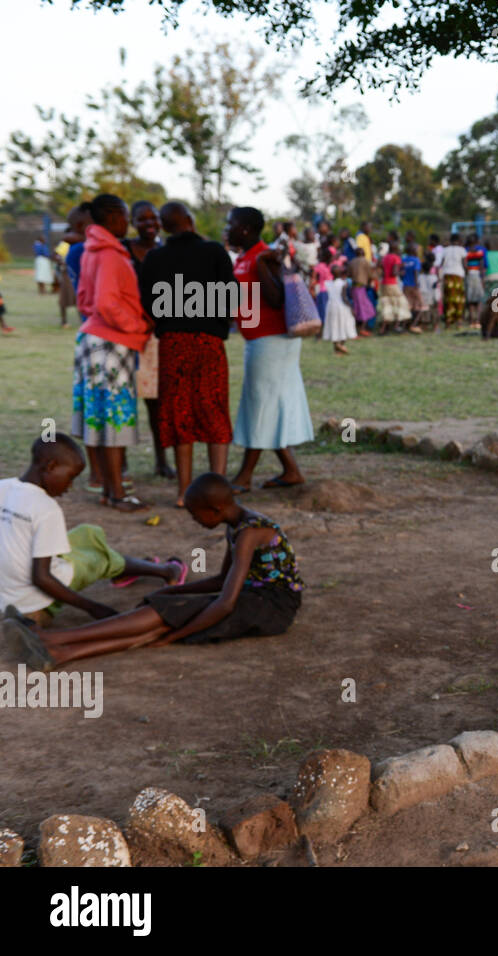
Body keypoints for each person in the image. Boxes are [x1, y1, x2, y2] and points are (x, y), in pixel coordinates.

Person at [6, 473, 303, 670]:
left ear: (214, 509)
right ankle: (61, 653)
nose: (194, 520)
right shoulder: (238, 525)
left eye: (194, 514)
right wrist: (174, 589)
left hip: (273, 608)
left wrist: (180, 634)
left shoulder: (250, 532)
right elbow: (223, 581)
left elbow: (225, 602)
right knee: (169, 610)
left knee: (170, 619)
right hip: (256, 598)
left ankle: (56, 640)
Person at [0, 434, 182, 633]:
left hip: (4, 598)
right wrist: (93, 608)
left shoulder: (3, 487)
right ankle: (165, 570)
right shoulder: (46, 508)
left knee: (88, 533)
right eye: (70, 478)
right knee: (99, 558)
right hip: (32, 607)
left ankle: (133, 569)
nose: (69, 487)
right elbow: (41, 578)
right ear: (50, 466)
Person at [139, 201, 237, 509]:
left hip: (173, 344)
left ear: (165, 227)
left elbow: (148, 303)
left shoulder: (155, 258)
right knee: (213, 410)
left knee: (180, 412)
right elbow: (230, 298)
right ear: (191, 221)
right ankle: (218, 490)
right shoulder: (214, 253)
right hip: (208, 342)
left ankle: (184, 492)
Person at [225, 206, 314, 491]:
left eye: (231, 225)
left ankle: (244, 476)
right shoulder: (244, 258)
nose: (227, 230)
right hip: (259, 339)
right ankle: (291, 470)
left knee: (260, 404)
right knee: (269, 403)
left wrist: (267, 268)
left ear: (246, 229)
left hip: (272, 340)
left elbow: (276, 299)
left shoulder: (264, 256)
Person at [74, 193, 151, 512]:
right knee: (116, 417)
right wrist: (136, 326)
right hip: (111, 344)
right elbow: (107, 302)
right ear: (109, 217)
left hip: (91, 339)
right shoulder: (109, 254)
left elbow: (84, 300)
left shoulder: (91, 250)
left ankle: (108, 489)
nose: (128, 222)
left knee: (99, 417)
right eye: (122, 215)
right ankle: (118, 493)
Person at [123, 200, 173, 480]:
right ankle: (123, 459)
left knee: (157, 402)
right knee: (125, 398)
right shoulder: (124, 250)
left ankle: (161, 459)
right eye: (142, 219)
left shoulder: (166, 250)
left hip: (159, 334)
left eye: (153, 218)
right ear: (132, 222)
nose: (149, 224)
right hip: (128, 333)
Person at [376, 240, 413, 334]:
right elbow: (394, 272)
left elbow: (383, 271)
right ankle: (397, 326)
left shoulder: (385, 258)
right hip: (392, 284)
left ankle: (383, 329)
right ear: (396, 249)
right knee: (401, 303)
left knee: (387, 305)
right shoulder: (396, 258)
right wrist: (401, 271)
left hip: (384, 284)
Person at [322, 262, 356, 354]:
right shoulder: (343, 283)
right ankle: (340, 345)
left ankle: (337, 348)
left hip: (331, 306)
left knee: (334, 325)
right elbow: (344, 297)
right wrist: (351, 307)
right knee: (343, 325)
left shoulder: (328, 283)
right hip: (341, 306)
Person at [346, 244, 376, 336]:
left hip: (354, 288)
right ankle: (361, 329)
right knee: (364, 308)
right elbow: (371, 275)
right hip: (361, 288)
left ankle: (358, 328)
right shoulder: (365, 261)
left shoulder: (352, 262)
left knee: (358, 308)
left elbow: (349, 275)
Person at [440, 234, 467, 328]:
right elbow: (464, 264)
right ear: (459, 240)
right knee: (459, 298)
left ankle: (448, 321)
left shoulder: (445, 250)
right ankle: (459, 321)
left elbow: (441, 264)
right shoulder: (462, 250)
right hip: (458, 276)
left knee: (448, 298)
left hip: (447, 275)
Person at [401, 242, 429, 330]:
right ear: (413, 250)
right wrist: (416, 284)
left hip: (405, 286)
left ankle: (405, 325)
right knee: (421, 306)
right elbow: (416, 272)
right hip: (414, 286)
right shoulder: (416, 260)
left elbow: (401, 273)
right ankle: (413, 324)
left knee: (408, 306)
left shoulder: (404, 260)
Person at [464, 233, 486, 328]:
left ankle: (471, 320)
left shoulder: (465, 252)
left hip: (468, 276)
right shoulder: (480, 252)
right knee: (479, 299)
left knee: (470, 300)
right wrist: (483, 279)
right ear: (476, 242)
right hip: (477, 276)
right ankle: (478, 320)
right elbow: (481, 267)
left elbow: (465, 265)